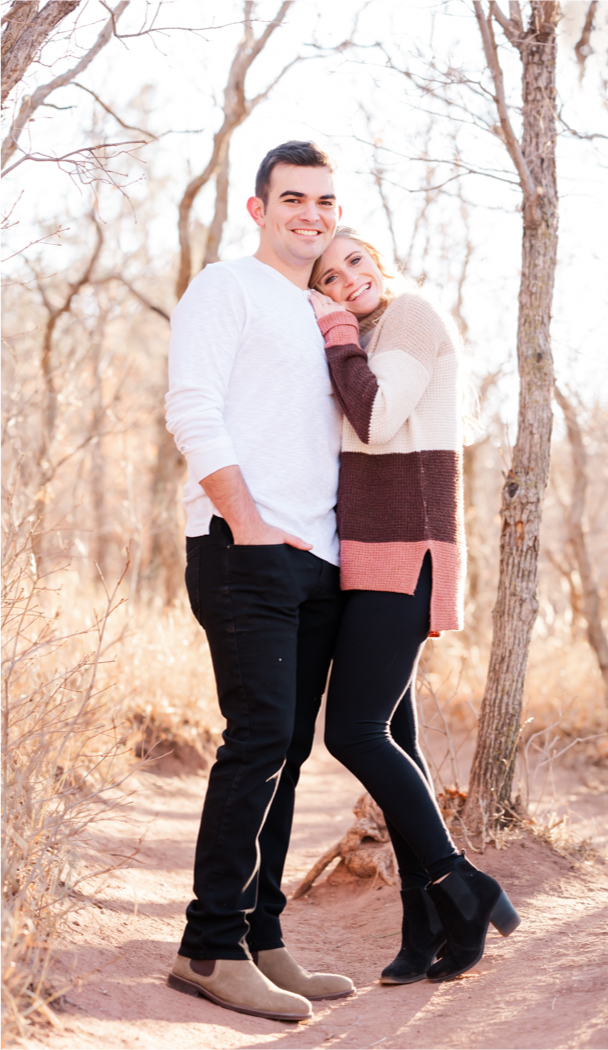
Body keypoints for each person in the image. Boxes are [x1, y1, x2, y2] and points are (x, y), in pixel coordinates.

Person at [164, 141, 354, 1021]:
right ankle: (208, 949)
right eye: (292, 198)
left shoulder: (321, 311)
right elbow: (192, 407)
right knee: (259, 735)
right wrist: (245, 522)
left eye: (323, 200)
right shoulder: (225, 288)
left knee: (287, 750)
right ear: (258, 208)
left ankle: (261, 939)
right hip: (243, 547)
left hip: (316, 558)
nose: (309, 215)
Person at [308, 230, 521, 985]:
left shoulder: (410, 317)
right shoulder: (360, 338)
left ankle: (462, 883)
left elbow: (377, 418)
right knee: (399, 736)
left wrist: (332, 330)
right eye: (329, 279)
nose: (347, 282)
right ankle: (425, 924)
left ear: (379, 262)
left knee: (355, 731)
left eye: (355, 262)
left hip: (407, 552)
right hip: (369, 555)